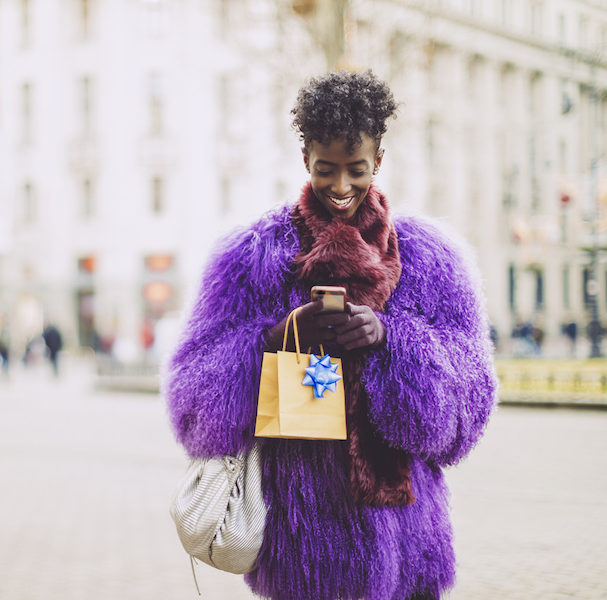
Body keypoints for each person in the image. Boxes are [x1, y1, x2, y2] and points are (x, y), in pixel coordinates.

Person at [165, 71, 497, 600]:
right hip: (305, 546)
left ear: (379, 162)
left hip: (410, 539)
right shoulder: (251, 255)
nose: (341, 187)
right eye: (326, 170)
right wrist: (270, 341)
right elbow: (191, 400)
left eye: (356, 170)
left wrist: (391, 340)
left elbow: (471, 402)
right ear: (305, 161)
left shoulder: (431, 258)